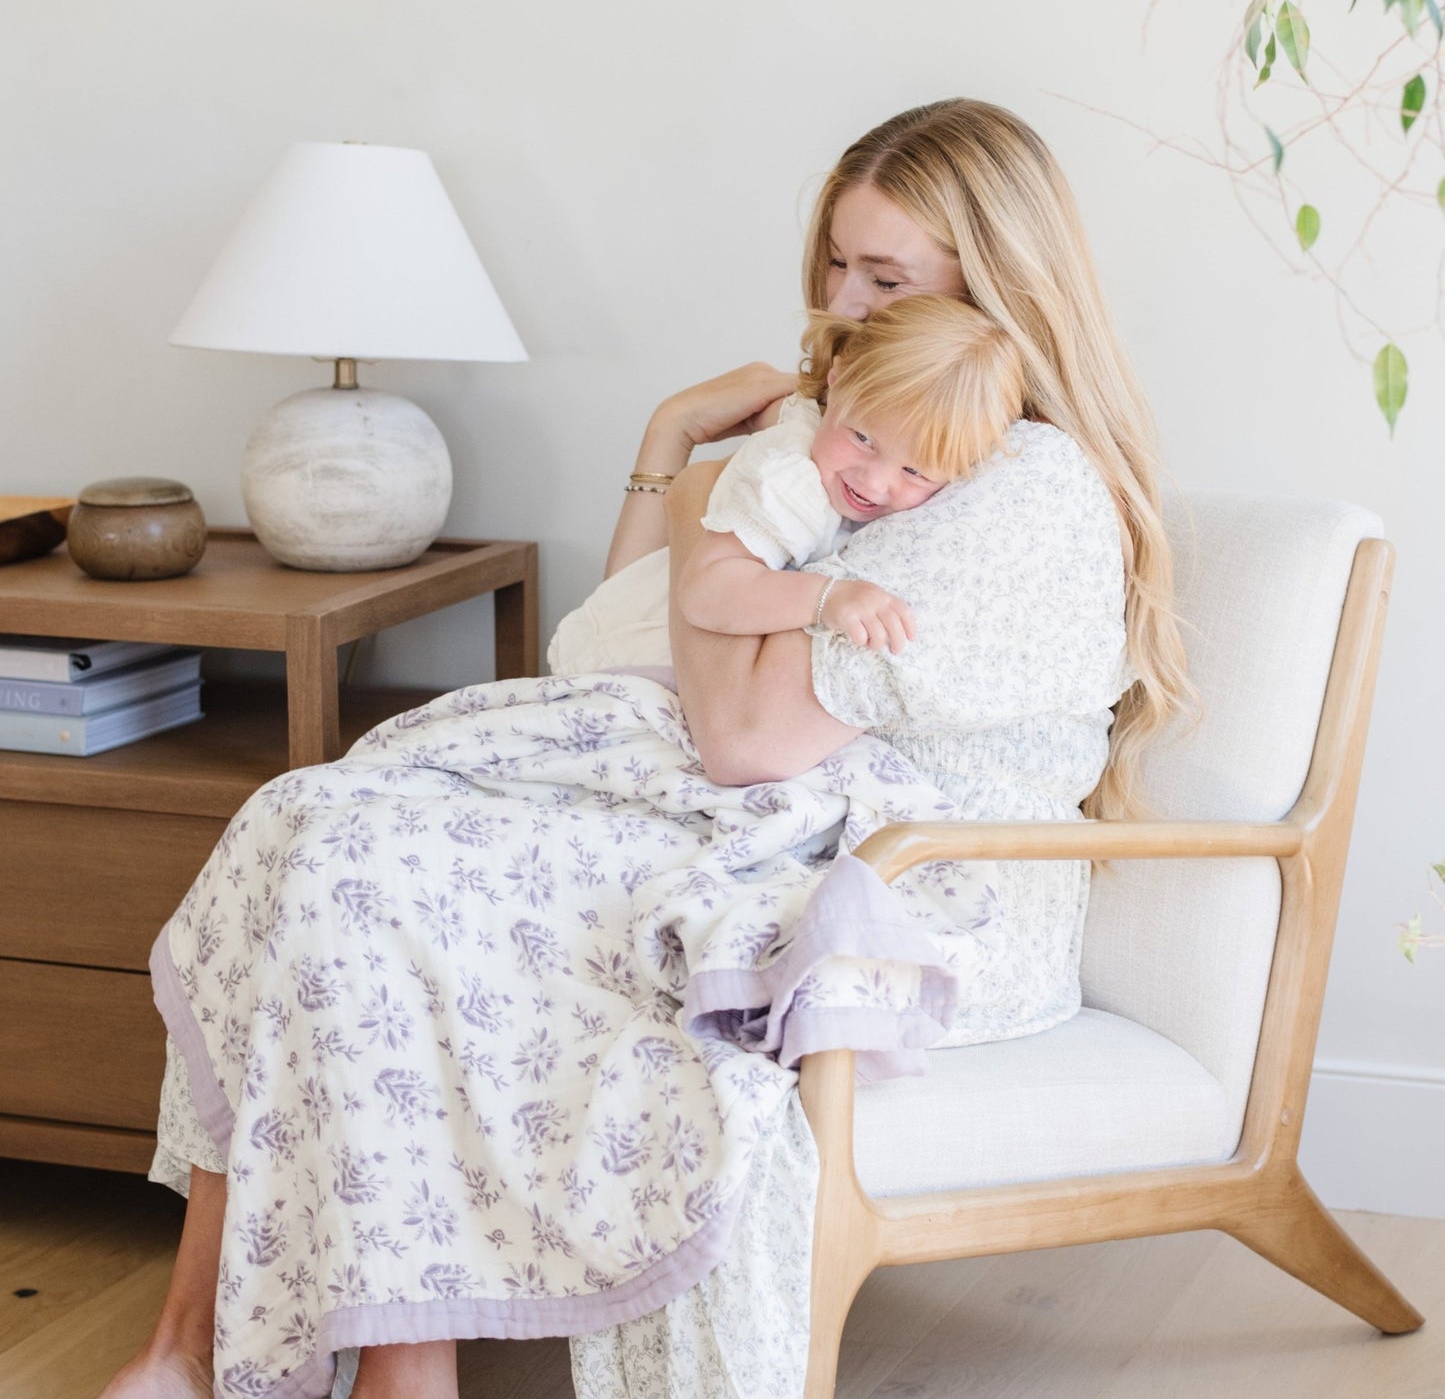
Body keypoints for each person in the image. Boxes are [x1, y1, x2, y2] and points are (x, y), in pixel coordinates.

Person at [101, 97, 1188, 1399]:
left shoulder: (1011, 486)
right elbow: (608, 648)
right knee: (315, 828)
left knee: (380, 876)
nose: (840, 305)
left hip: (909, 891)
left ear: (994, 291)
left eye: (883, 277)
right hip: (735, 815)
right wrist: (667, 446)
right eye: (833, 266)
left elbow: (740, 731)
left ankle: (358, 1366)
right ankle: (212, 1351)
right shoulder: (857, 432)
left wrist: (705, 521)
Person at [547, 295, 1025, 674]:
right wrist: (828, 599)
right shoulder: (792, 479)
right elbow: (708, 590)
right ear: (836, 382)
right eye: (863, 438)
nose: (874, 482)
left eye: (915, 472)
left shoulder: (847, 451)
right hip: (618, 656)